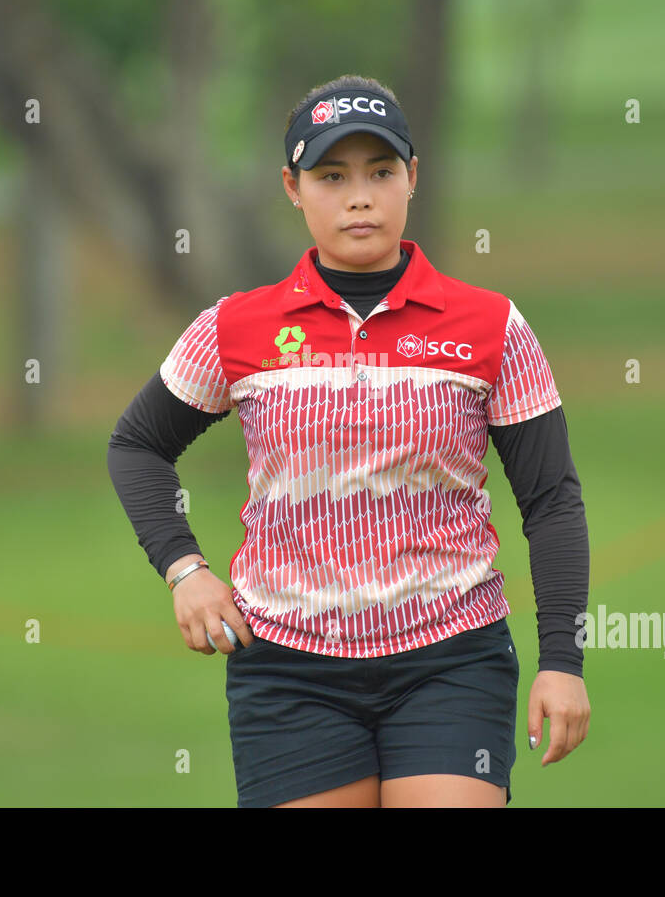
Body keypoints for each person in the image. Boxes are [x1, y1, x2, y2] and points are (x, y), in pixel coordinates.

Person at [108, 74, 590, 807]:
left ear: (412, 178)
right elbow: (138, 444)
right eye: (331, 176)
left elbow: (551, 501)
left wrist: (562, 660)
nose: (358, 197)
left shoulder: (490, 326)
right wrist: (184, 569)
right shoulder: (237, 327)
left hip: (450, 658)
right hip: (288, 671)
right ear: (292, 187)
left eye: (380, 172)